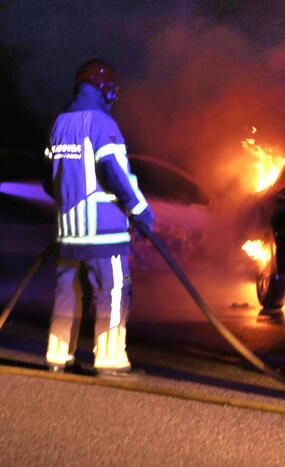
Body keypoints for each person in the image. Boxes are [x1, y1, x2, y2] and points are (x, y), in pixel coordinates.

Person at [42, 59, 154, 376]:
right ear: (104, 89)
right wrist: (139, 211)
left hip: (67, 234)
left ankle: (57, 356)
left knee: (67, 296)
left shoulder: (59, 124)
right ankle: (110, 360)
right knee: (114, 291)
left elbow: (47, 181)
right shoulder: (104, 125)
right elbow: (113, 172)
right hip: (104, 232)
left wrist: (69, 205)